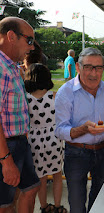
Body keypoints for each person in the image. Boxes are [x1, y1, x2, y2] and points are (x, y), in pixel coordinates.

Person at [55, 47, 104, 213]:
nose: (94, 73)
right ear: (78, 67)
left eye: (98, 67)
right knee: (77, 204)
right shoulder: (66, 92)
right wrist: (83, 129)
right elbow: (60, 130)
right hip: (77, 153)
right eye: (88, 67)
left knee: (101, 199)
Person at [0, 17, 40, 213]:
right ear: (11, 36)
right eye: (29, 40)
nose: (32, 47)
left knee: (31, 189)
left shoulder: (12, 66)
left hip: (19, 143)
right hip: (6, 146)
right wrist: (6, 160)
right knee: (5, 204)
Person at [24, 63, 67, 213]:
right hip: (53, 139)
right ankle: (57, 206)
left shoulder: (26, 99)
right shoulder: (54, 96)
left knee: (41, 177)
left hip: (34, 140)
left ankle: (43, 206)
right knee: (56, 175)